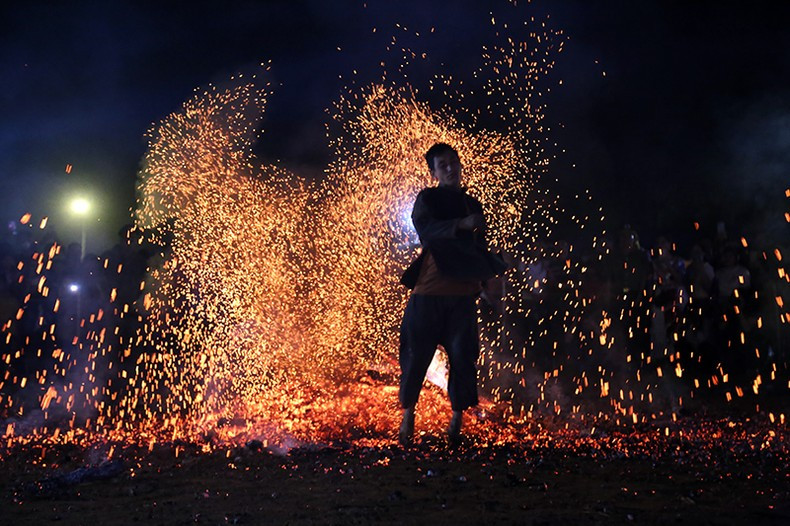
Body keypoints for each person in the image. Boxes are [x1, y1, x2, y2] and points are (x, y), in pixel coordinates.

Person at [398, 143, 507, 444]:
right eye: (441, 164)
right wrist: (460, 224)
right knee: (416, 355)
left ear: (459, 165)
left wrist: (485, 284)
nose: (449, 167)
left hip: (462, 297)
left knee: (463, 357)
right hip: (429, 293)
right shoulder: (427, 199)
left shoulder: (473, 204)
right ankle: (408, 414)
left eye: (452, 162)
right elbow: (427, 230)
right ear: (433, 172)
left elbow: (479, 248)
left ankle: (456, 419)